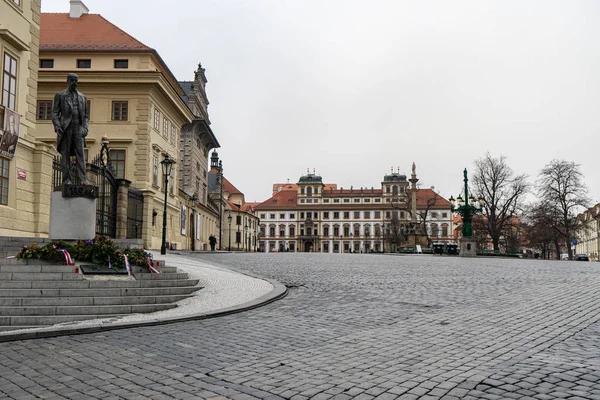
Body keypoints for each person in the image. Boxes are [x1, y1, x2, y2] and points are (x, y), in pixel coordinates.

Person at [52, 73, 89, 185]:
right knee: (66, 154)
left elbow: (86, 116)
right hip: (66, 128)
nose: (74, 83)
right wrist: (58, 126)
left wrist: (85, 128)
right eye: (72, 80)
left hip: (78, 128)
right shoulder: (60, 95)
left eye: (76, 81)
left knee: (80, 154)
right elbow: (54, 113)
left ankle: (83, 180)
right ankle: (66, 180)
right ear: (67, 81)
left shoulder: (82, 97)